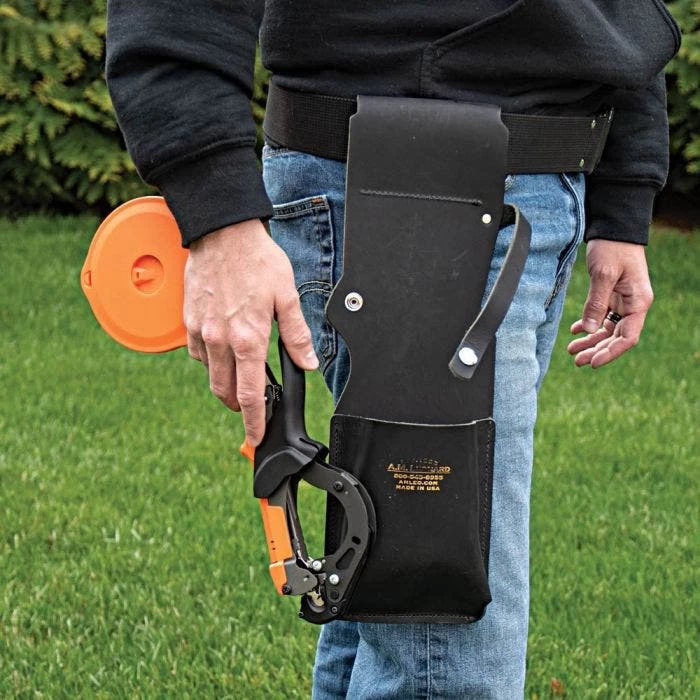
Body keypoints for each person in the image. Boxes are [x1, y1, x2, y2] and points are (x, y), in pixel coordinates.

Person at [105, 1, 680, 696]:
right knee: (445, 648)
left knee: (399, 604)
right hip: (417, 189)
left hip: (525, 181)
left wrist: (623, 197)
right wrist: (217, 213)